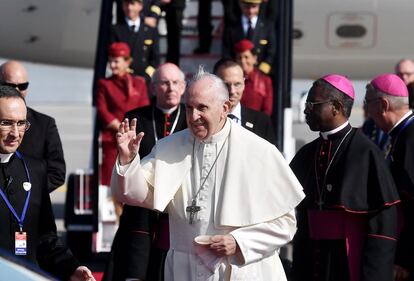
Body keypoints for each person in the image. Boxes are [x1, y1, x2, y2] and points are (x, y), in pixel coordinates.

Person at [111, 67, 304, 280]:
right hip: (186, 270)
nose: (193, 117)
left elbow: (285, 223)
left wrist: (240, 242)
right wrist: (128, 161)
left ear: (225, 108)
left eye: (202, 108)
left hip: (243, 270)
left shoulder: (259, 151)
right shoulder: (170, 147)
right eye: (189, 108)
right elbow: (133, 194)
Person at [289, 74, 400, 281]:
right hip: (309, 256)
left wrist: (375, 274)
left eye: (312, 104)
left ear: (336, 107)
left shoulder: (366, 152)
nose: (306, 110)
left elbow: (383, 222)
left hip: (347, 260)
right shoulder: (306, 154)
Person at [0, 85, 95, 281]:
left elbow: (46, 236)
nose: (15, 133)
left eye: (21, 123)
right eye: (6, 123)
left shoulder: (34, 170)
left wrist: (71, 268)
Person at [104, 63, 187, 281]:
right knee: (135, 268)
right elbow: (124, 161)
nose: (171, 88)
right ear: (152, 88)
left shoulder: (191, 119)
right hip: (142, 210)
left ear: (184, 86)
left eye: (176, 83)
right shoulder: (135, 118)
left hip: (178, 209)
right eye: (164, 83)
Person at [364, 73, 414, 281]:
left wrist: (404, 258)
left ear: (383, 104)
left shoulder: (410, 138)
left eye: (368, 103)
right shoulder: (402, 134)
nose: (366, 110)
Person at [0, 60, 66, 193]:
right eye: (10, 85)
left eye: (23, 86)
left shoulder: (45, 124)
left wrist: (27, 193)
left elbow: (57, 173)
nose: (17, 90)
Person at [96, 42, 150, 186]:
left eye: (116, 61)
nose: (112, 65)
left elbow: (144, 108)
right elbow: (102, 109)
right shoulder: (104, 84)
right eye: (110, 61)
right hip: (113, 139)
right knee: (111, 178)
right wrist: (120, 128)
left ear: (127, 62)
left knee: (134, 179)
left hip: (134, 139)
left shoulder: (139, 83)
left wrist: (131, 131)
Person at [213, 58, 275, 143]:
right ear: (214, 84)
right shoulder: (201, 119)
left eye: (237, 84)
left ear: (244, 83)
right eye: (226, 85)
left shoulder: (262, 122)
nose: (232, 91)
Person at [110, 0, 160, 81]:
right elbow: (113, 56)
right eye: (126, 4)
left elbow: (155, 59)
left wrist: (146, 77)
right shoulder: (115, 30)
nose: (129, 8)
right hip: (122, 79)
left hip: (144, 81)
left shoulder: (151, 31)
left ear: (140, 6)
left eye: (132, 4)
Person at [222, 0, 275, 75]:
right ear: (240, 5)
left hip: (259, 74)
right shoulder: (232, 26)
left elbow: (271, 50)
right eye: (246, 7)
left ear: (259, 6)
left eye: (254, 7)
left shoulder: (267, 26)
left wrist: (263, 68)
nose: (250, 11)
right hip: (237, 72)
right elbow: (226, 51)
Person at [234, 39, 273, 116]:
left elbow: (267, 110)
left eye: (246, 57)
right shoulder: (232, 79)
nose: (243, 61)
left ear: (254, 59)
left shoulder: (264, 80)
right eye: (239, 57)